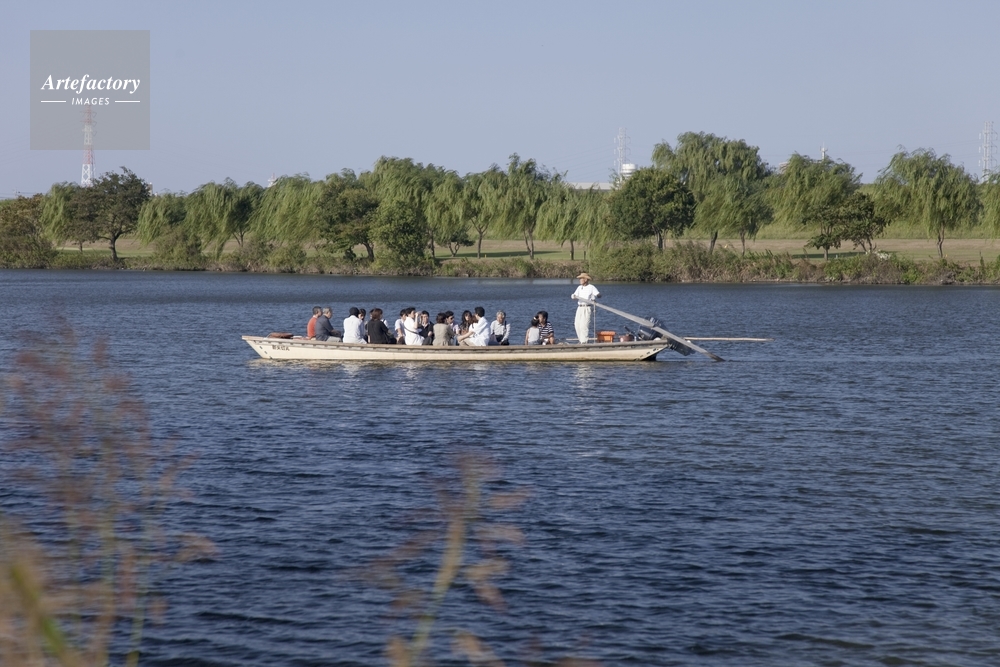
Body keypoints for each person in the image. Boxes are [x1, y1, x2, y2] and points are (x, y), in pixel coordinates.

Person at [571, 272, 601, 344]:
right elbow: (574, 295)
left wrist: (596, 296)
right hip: (580, 307)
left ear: (585, 279)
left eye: (581, 279)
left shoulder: (591, 287)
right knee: (577, 325)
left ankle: (584, 342)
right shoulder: (579, 287)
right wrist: (573, 296)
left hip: (587, 308)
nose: (580, 280)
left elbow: (598, 294)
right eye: (580, 279)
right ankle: (581, 340)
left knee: (583, 326)